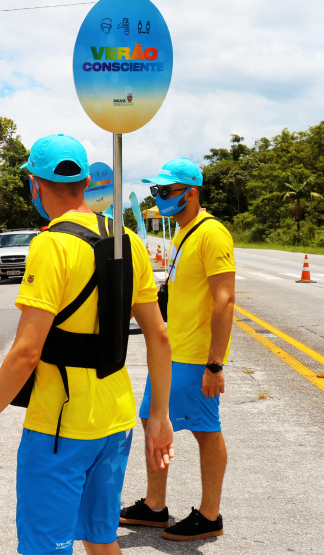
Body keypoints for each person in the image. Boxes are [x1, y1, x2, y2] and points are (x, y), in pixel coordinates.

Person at [0, 133, 175, 555]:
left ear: (34, 185)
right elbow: (159, 335)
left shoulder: (51, 245)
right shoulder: (128, 241)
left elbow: (26, 352)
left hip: (60, 427)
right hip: (116, 420)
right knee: (101, 538)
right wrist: (159, 416)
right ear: (86, 181)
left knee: (44, 548)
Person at [120, 158, 235, 541]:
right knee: (152, 421)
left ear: (192, 191)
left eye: (167, 191)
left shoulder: (212, 233)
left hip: (196, 356)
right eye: (158, 191)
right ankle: (155, 507)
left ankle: (210, 515)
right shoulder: (183, 233)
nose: (162, 197)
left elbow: (224, 300)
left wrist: (214, 364)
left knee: (205, 431)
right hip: (172, 351)